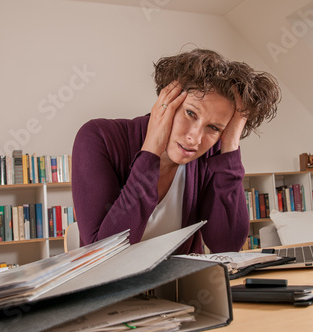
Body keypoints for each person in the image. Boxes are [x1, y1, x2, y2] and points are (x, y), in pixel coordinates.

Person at [71, 48, 281, 254]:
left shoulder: (210, 156)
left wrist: (230, 146)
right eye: (190, 113)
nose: (195, 138)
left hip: (182, 288)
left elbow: (226, 245)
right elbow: (102, 253)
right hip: (114, 288)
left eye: (214, 127)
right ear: (166, 100)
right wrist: (151, 152)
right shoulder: (98, 138)